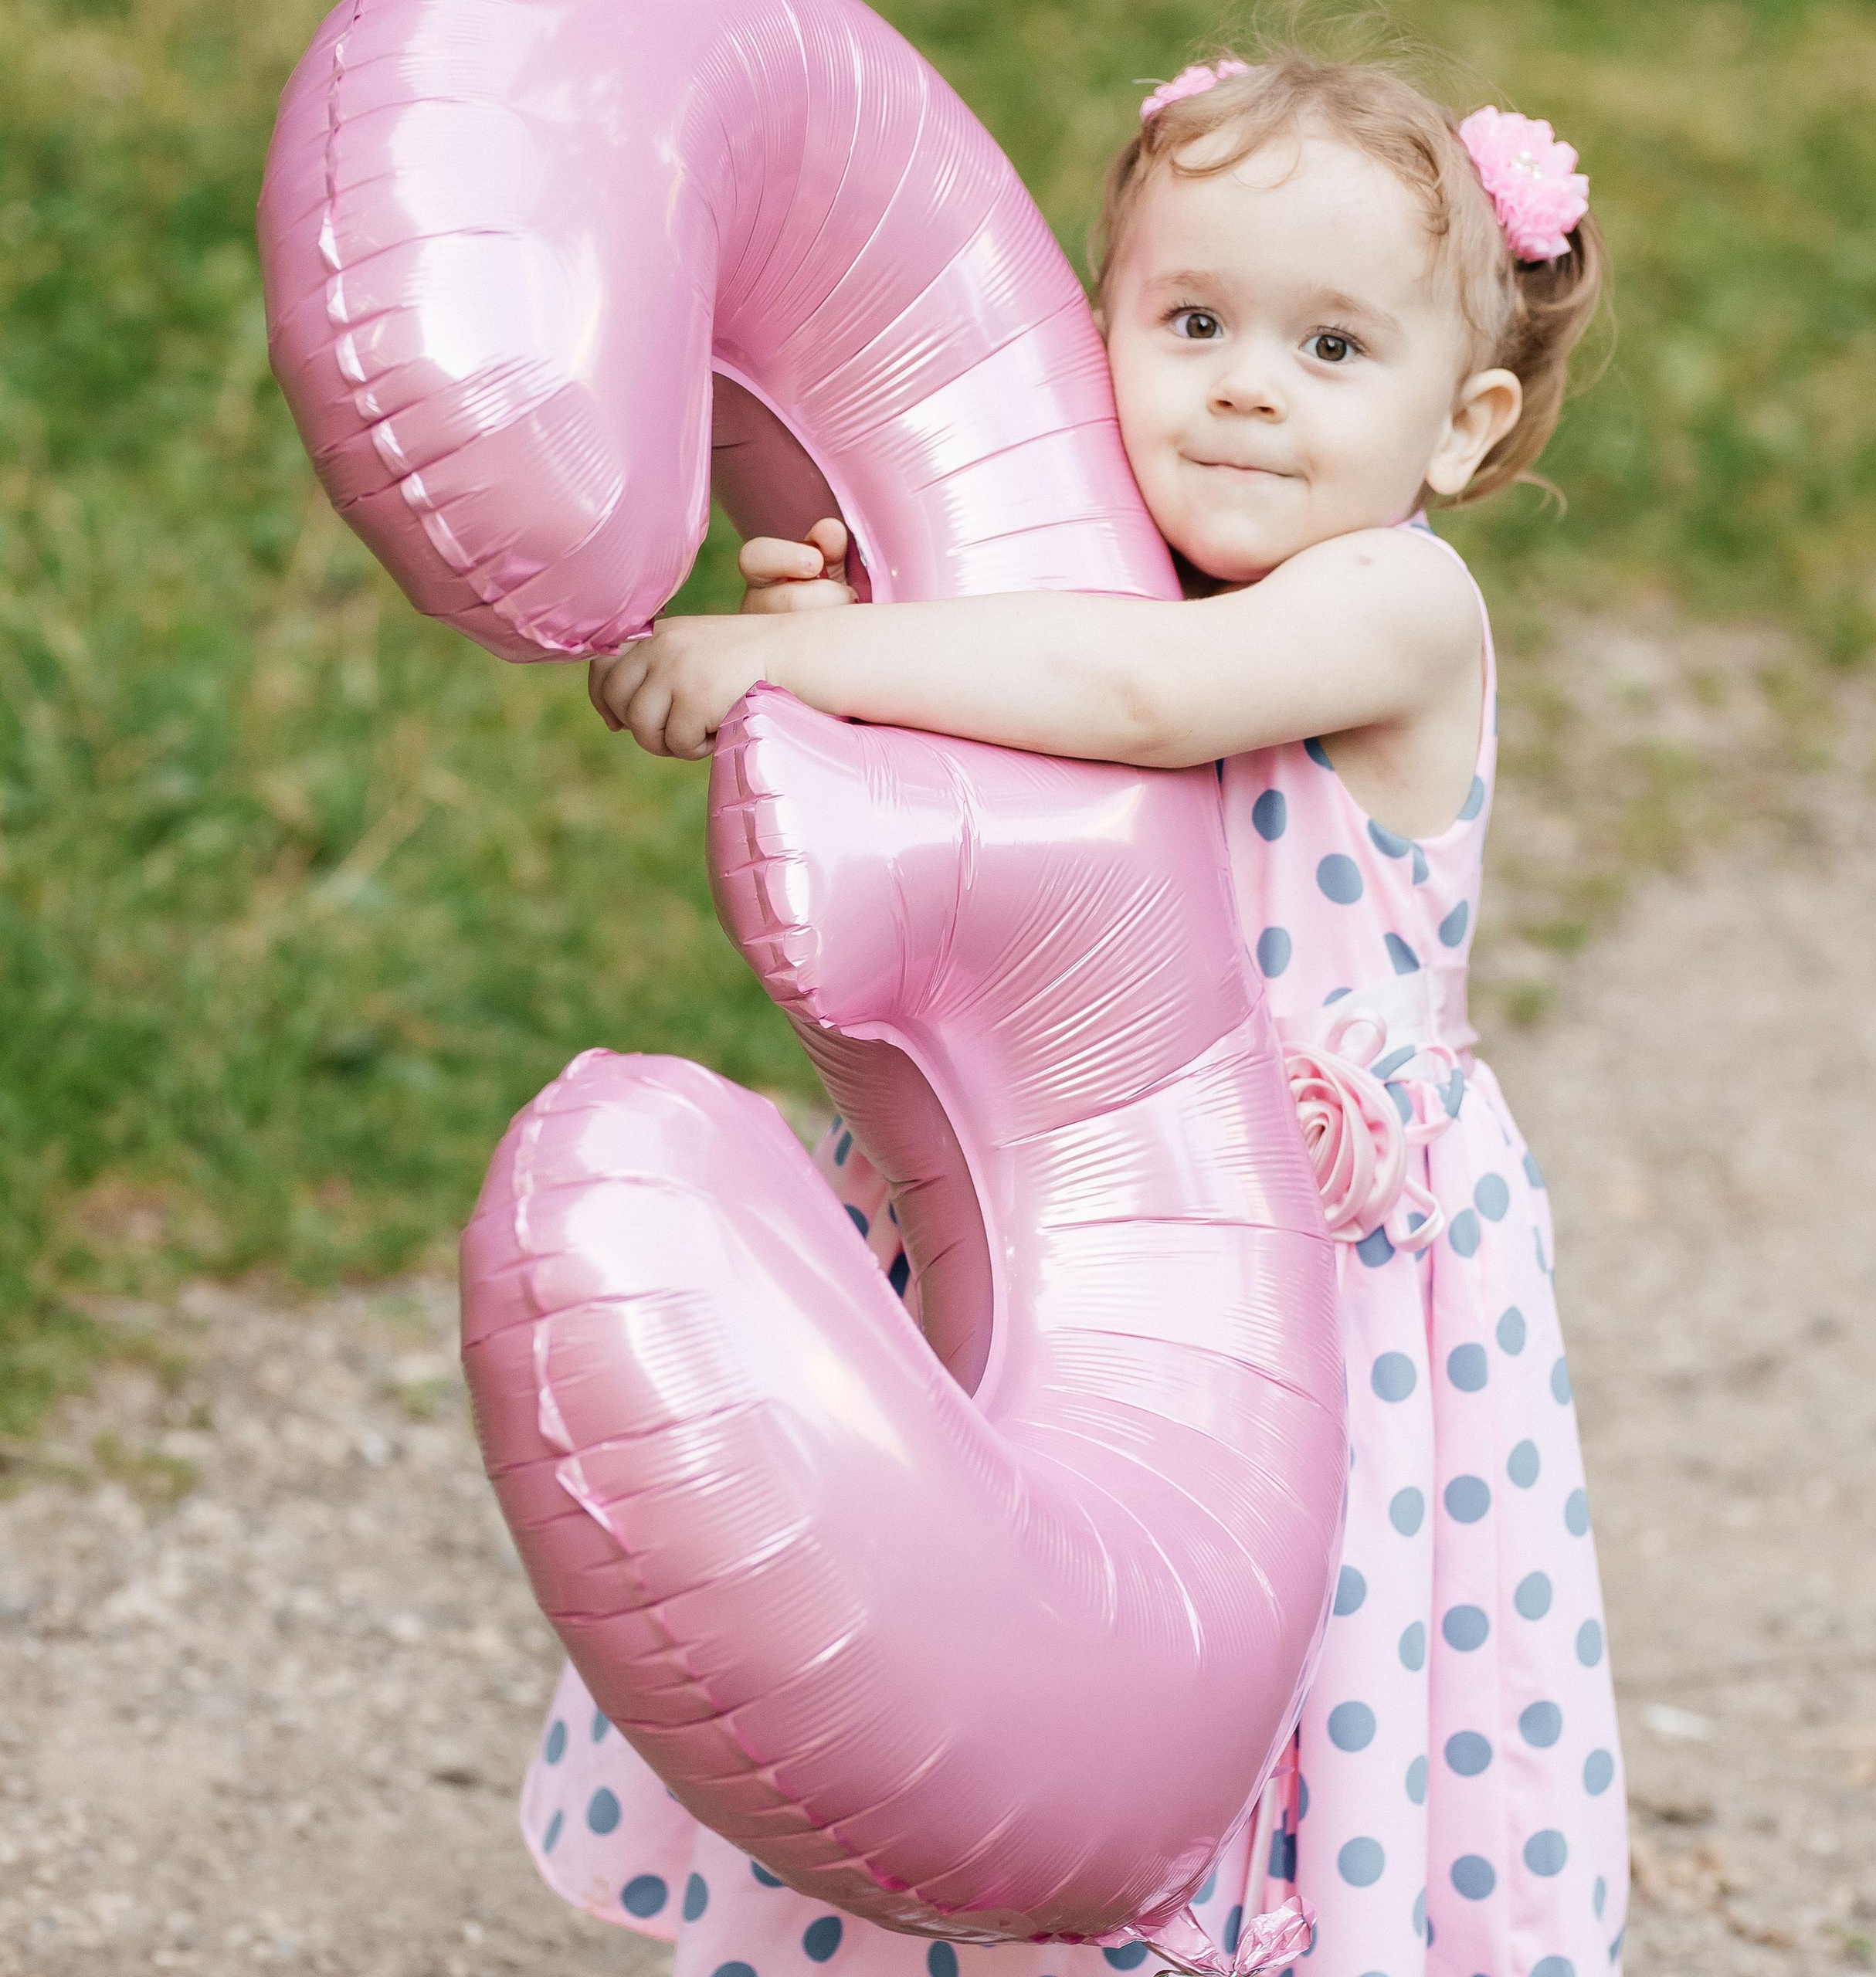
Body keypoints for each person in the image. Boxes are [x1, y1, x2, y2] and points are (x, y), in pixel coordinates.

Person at [531, 43, 1626, 1977]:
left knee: (1261, 1649)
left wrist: (821, 646)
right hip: (1024, 1207)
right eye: (1188, 317)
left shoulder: (1391, 604)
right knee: (964, 1603)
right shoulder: (1094, 583)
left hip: (1298, 1280)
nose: (1241, 384)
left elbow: (1139, 702)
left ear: (1458, 427)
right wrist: (840, 642)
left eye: (1328, 350)